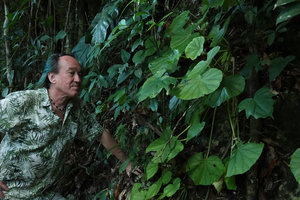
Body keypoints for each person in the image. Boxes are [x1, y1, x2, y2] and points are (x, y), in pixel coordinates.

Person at [0, 53, 140, 200]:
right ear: (52, 77)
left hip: (43, 193)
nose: (78, 79)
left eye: (80, 74)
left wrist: (127, 162)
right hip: (9, 192)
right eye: (71, 73)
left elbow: (101, 134)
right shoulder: (24, 102)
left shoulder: (75, 111)